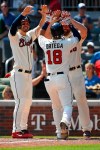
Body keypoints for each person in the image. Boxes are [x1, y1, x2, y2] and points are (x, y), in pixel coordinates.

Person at [38, 9, 81, 140]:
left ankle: (59, 132)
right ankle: (65, 122)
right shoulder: (65, 43)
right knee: (67, 105)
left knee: (56, 107)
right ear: (61, 32)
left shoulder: (46, 43)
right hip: (62, 78)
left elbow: (40, 34)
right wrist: (69, 23)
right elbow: (78, 37)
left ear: (52, 32)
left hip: (49, 80)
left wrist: (48, 21)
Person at [8, 5, 46, 138]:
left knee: (27, 101)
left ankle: (23, 128)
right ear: (19, 25)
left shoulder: (30, 35)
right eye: (23, 23)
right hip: (18, 73)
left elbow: (41, 26)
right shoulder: (14, 36)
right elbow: (12, 27)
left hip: (28, 74)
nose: (25, 25)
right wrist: (22, 14)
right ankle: (15, 129)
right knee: (20, 101)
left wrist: (44, 16)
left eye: (27, 23)